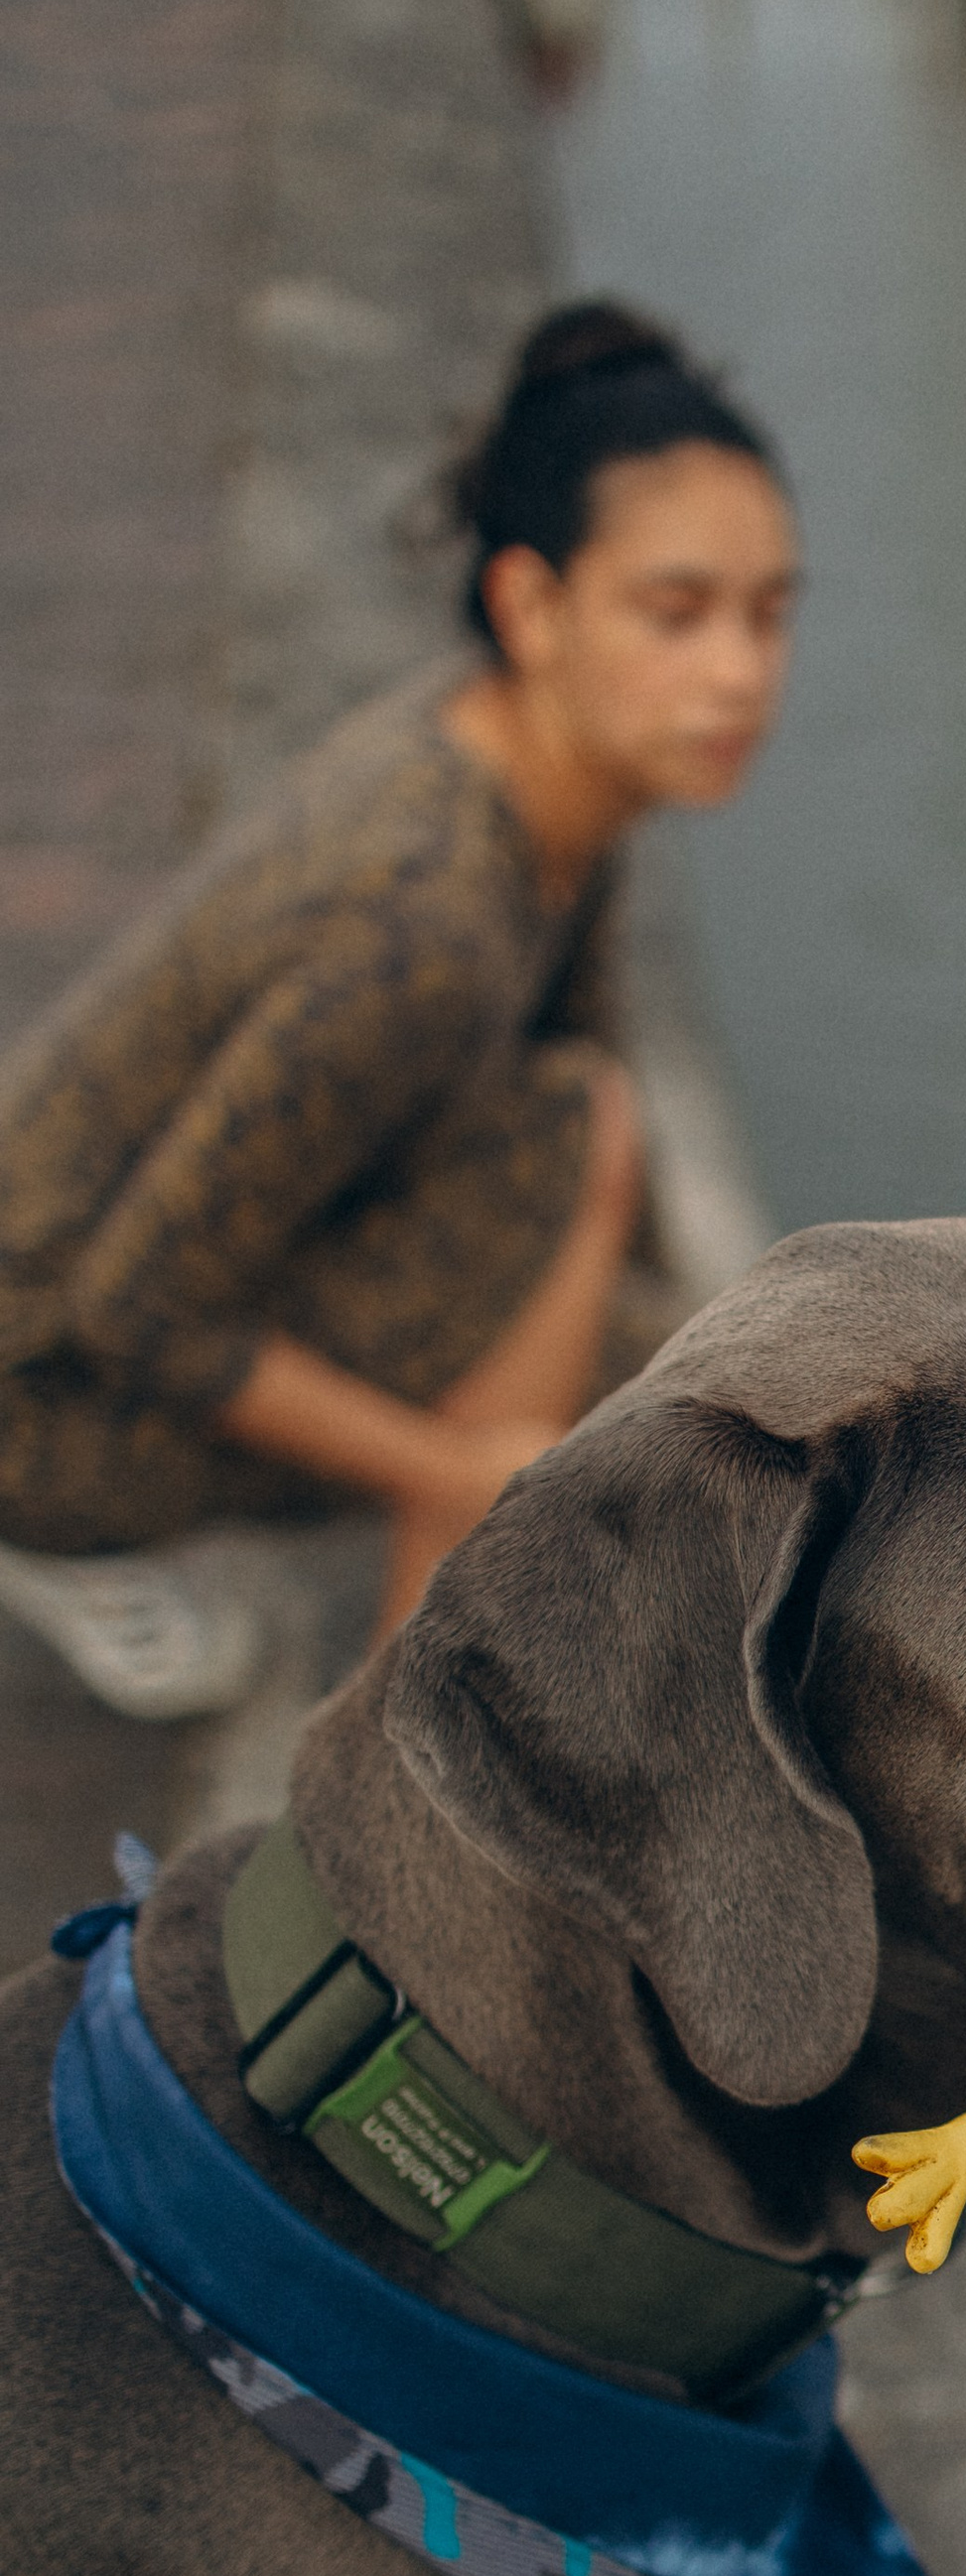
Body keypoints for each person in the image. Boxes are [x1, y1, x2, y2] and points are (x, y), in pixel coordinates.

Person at [0, 301, 799, 1718]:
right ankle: (392, 1730)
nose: (740, 672)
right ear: (531, 607)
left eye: (770, 611)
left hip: (112, 1293)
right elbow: (136, 1306)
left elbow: (589, 1080)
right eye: (676, 614)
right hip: (40, 1390)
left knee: (668, 1358)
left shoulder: (552, 776)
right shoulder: (425, 918)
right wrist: (461, 1474)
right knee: (571, 1169)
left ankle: (438, 1680)